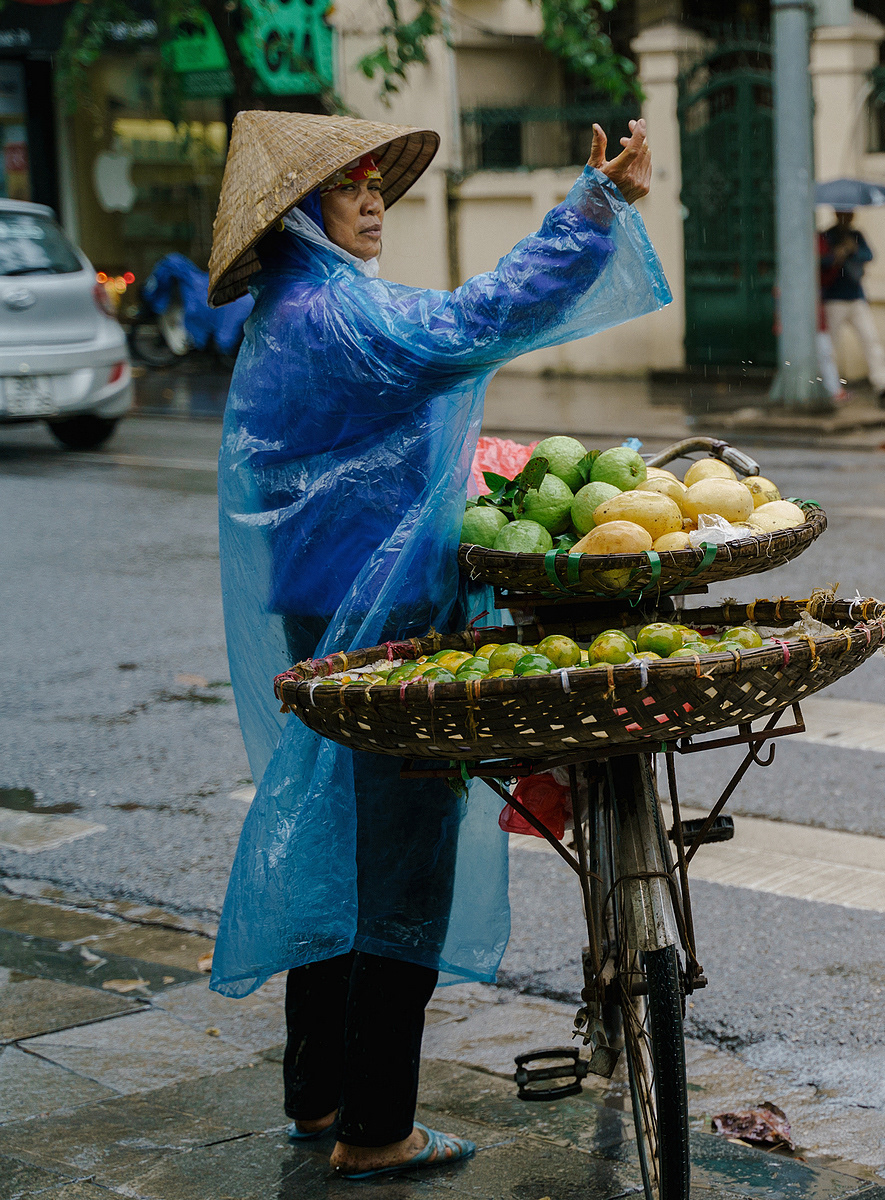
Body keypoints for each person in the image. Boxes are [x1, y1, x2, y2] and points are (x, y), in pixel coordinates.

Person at [205, 111, 666, 1180]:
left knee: (335, 838)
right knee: (396, 864)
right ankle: (377, 1129)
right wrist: (597, 205)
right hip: (379, 622)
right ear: (298, 214)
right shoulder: (333, 312)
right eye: (351, 187)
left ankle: (318, 1096)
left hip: (327, 608)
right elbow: (476, 319)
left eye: (377, 184)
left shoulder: (300, 304)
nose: (375, 202)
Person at [820, 208, 885, 406]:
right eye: (842, 214)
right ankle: (829, 387)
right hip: (834, 297)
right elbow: (819, 261)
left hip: (856, 296)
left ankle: (884, 382)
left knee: (870, 339)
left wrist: (853, 250)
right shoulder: (827, 236)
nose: (846, 218)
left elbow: (869, 255)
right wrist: (835, 255)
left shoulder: (856, 235)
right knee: (830, 345)